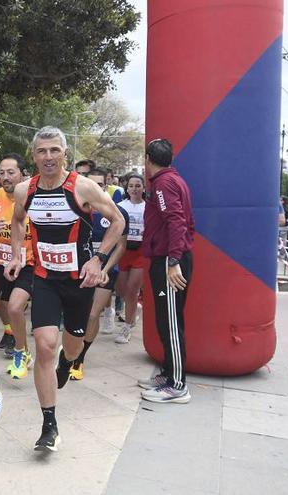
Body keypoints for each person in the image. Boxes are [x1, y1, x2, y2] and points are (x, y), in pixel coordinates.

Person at [4, 126, 124, 451]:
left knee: (71, 347)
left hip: (79, 282)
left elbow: (118, 221)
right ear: (33, 155)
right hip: (43, 278)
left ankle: (68, 361)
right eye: (42, 151)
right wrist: (17, 254)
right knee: (44, 344)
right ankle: (49, 425)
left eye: (54, 150)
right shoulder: (24, 190)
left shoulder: (82, 188)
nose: (48, 157)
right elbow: (16, 221)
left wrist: (98, 260)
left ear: (65, 154)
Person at [138, 138, 195, 404]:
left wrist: (173, 262)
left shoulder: (163, 184)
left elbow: (176, 221)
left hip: (169, 261)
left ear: (148, 157)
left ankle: (177, 385)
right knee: (167, 320)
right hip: (168, 258)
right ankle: (169, 373)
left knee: (171, 323)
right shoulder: (173, 180)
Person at [68, 169, 130, 381]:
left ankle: (80, 359)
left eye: (100, 185)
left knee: (93, 314)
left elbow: (121, 246)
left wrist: (103, 268)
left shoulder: (117, 213)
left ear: (106, 186)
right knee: (75, 314)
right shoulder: (74, 209)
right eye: (91, 184)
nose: (95, 189)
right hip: (76, 270)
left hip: (105, 270)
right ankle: (70, 350)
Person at [0, 153, 35, 378]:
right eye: (2, 173)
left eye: (11, 172)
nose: (5, 177)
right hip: (4, 261)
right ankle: (13, 335)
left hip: (30, 261)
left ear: (23, 174)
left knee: (14, 306)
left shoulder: (34, 195)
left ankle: (21, 351)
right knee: (2, 298)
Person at [114, 173, 147, 344]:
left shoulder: (148, 207)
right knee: (121, 291)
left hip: (140, 251)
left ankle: (126, 327)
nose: (134, 189)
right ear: (127, 188)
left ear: (143, 188)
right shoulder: (120, 206)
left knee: (132, 289)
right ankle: (135, 309)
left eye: (138, 185)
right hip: (123, 250)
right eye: (131, 186)